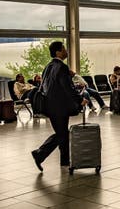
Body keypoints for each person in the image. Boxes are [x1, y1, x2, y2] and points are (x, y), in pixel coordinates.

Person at [31, 41, 88, 171]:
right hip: (59, 107)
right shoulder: (62, 67)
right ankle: (39, 154)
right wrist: (80, 100)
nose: (66, 51)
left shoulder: (48, 67)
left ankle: (64, 161)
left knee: (62, 133)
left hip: (50, 105)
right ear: (58, 52)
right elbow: (67, 87)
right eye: (64, 49)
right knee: (62, 133)